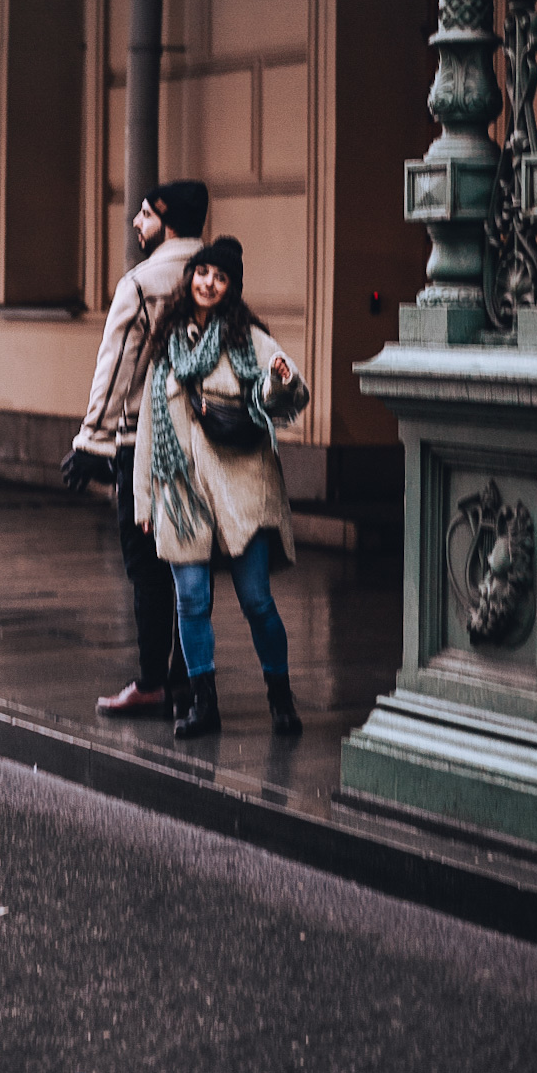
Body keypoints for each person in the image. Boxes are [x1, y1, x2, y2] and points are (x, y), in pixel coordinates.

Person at [135, 235, 307, 741]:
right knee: (190, 600)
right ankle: (202, 702)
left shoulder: (248, 339)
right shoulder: (169, 345)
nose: (208, 283)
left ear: (231, 288)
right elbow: (150, 424)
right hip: (182, 489)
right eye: (202, 272)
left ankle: (281, 695)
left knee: (256, 600)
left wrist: (278, 379)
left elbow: (290, 394)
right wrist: (145, 497)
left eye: (220, 277)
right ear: (190, 278)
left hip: (242, 486)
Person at [61, 179, 209, 717]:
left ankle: (151, 682)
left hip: (145, 445)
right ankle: (186, 677)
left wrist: (91, 441)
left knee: (146, 564)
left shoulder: (143, 282)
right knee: (190, 562)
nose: (136, 224)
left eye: (143, 214)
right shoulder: (217, 277)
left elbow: (119, 366)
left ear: (166, 221)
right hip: (204, 444)